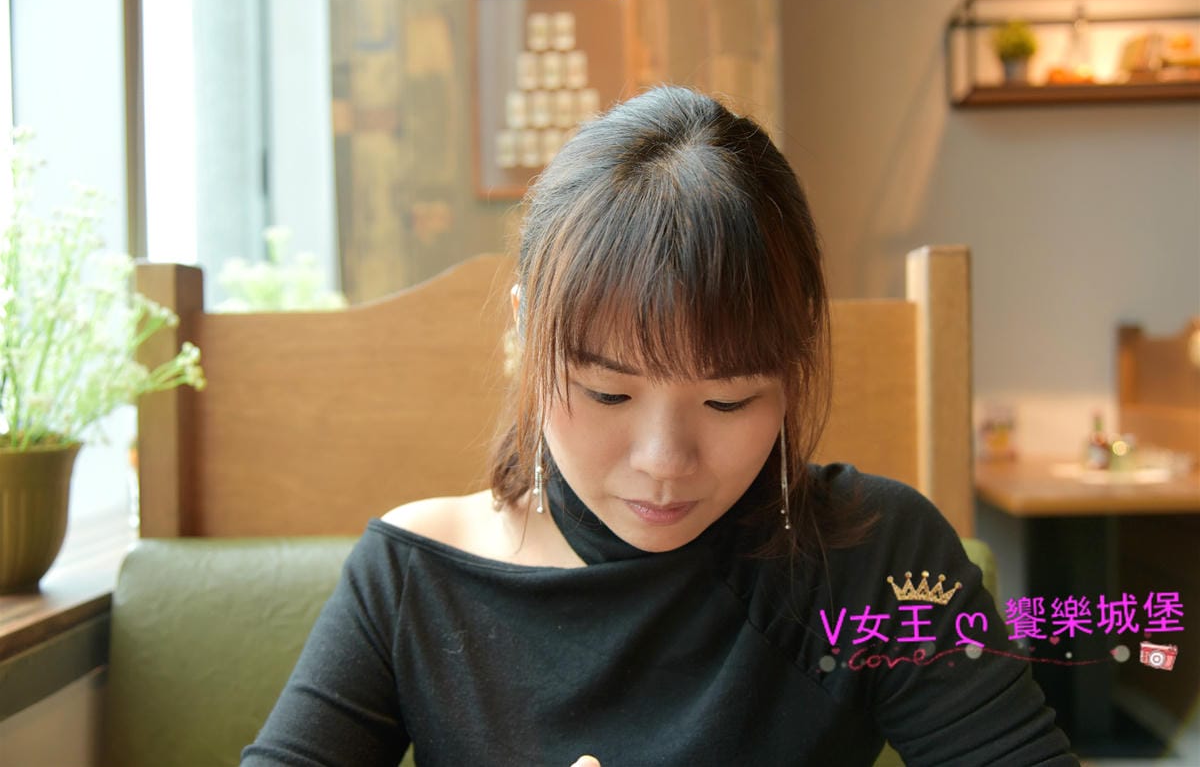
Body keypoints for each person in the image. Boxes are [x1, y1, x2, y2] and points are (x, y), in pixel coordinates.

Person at [242, 86, 1076, 766]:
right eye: (608, 394)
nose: (664, 461)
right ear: (525, 336)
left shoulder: (873, 561)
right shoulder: (415, 577)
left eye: (728, 402)